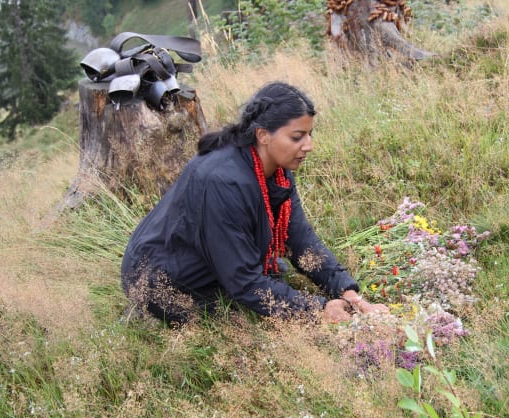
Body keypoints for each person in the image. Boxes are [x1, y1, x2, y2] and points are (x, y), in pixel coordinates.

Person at [121, 81, 387, 324]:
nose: (309, 145)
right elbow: (244, 282)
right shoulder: (222, 181)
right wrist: (318, 309)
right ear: (263, 135)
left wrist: (349, 293)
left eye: (309, 134)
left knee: (274, 281)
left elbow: (301, 243)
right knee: (248, 320)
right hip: (161, 282)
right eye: (297, 137)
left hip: (210, 265)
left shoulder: (278, 173)